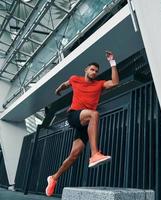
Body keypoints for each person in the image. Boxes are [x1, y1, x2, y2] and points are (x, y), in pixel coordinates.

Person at [45, 51, 119, 197]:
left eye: (96, 71)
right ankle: (95, 154)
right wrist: (58, 90)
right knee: (94, 114)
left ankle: (53, 178)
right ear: (86, 70)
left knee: (74, 155)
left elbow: (115, 82)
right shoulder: (75, 79)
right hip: (74, 115)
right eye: (92, 70)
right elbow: (65, 84)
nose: (94, 73)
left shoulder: (99, 84)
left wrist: (112, 62)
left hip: (86, 123)